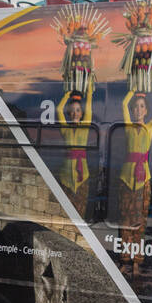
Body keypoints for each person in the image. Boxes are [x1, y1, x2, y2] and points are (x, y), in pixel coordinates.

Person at [116, 80, 152, 278]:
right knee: (125, 221)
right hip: (126, 179)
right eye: (135, 107)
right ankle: (124, 261)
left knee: (140, 222)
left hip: (144, 179)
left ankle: (137, 262)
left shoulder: (151, 127)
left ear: (146, 111)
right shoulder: (128, 125)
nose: (137, 109)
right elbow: (123, 104)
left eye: (141, 107)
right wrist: (134, 88)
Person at [57, 86, 94, 217]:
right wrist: (67, 94)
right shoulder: (65, 129)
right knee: (65, 214)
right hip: (65, 176)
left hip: (82, 176)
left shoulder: (85, 126)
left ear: (82, 113)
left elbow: (89, 106)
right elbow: (58, 110)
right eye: (72, 110)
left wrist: (89, 88)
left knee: (79, 213)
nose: (75, 113)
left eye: (78, 110)